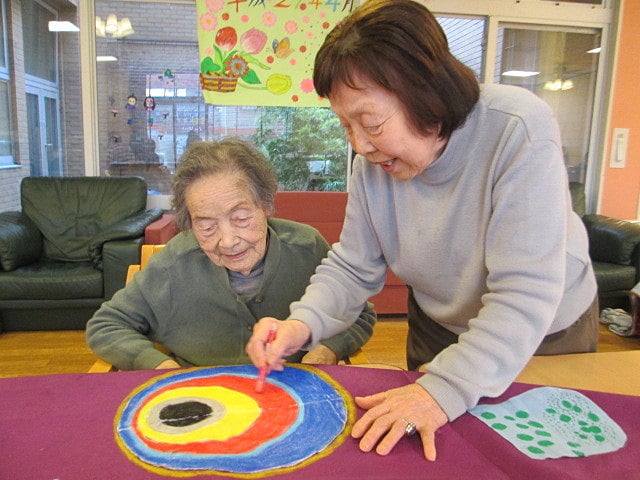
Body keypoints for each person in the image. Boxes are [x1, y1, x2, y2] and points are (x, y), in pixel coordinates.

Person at [246, 0, 598, 462]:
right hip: (439, 324)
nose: (360, 144)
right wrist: (301, 325)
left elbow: (525, 293)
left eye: (370, 123)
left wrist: (443, 390)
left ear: (427, 94)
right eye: (345, 125)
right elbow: (352, 268)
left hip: (543, 332)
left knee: (534, 456)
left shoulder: (516, 128)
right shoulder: (371, 167)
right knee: (438, 459)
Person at [86, 138, 376, 370]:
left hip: (295, 398)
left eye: (240, 218)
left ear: (265, 205)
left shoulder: (306, 248)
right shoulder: (172, 266)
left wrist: (328, 350)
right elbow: (106, 325)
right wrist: (159, 365)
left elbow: (359, 313)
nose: (227, 242)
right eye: (206, 225)